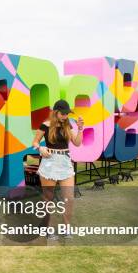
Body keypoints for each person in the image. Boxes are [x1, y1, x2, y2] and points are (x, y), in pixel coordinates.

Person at [31, 100, 83, 240]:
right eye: (63, 113)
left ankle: (66, 228)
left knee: (69, 198)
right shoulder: (45, 125)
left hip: (65, 162)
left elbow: (77, 143)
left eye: (67, 113)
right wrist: (40, 148)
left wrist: (80, 129)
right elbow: (35, 142)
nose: (65, 116)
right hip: (49, 163)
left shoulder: (68, 125)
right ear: (56, 112)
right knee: (48, 198)